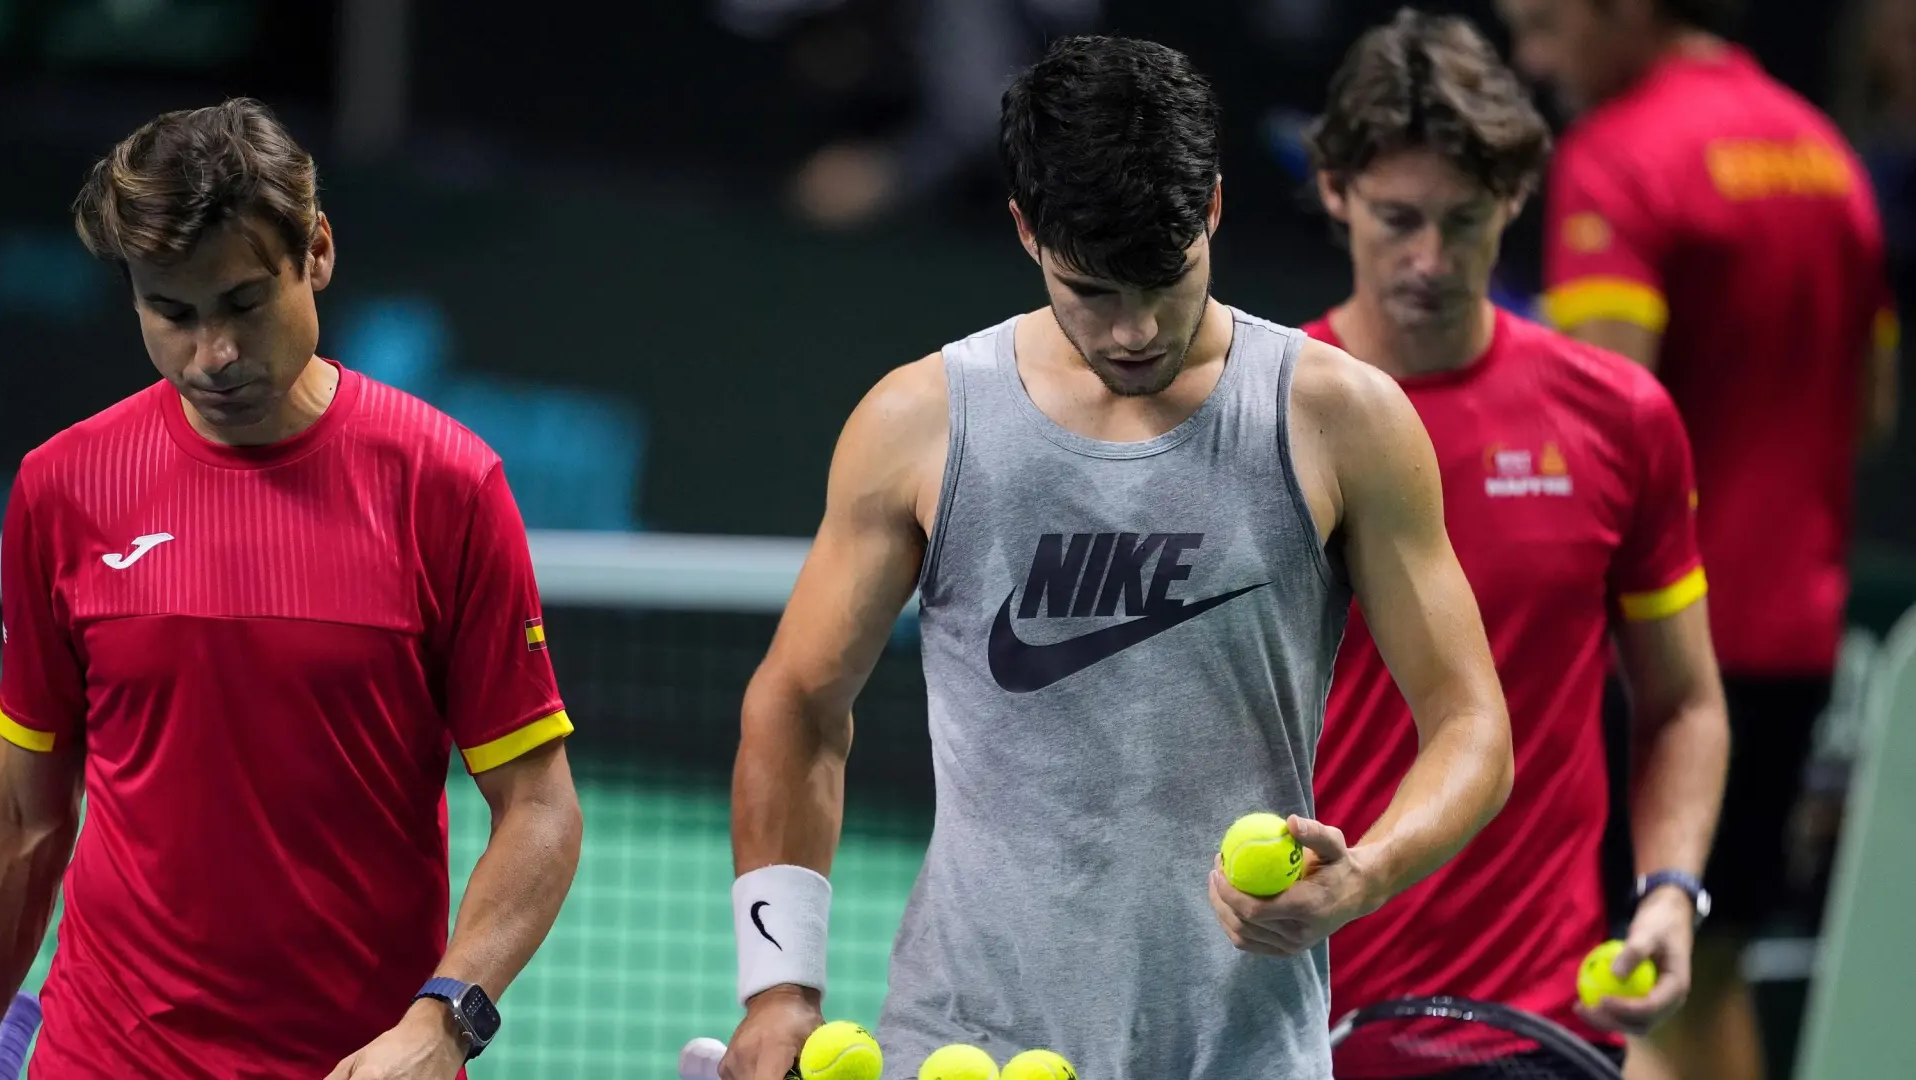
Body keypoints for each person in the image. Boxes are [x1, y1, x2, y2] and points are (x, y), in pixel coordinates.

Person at [720, 34, 1516, 1080]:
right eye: (1093, 289)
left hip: (1237, 1053)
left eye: (1165, 278)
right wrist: (781, 987)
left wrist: (1363, 875)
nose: (1136, 330)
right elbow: (797, 703)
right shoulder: (922, 423)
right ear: (1026, 233)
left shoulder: (1339, 418)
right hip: (964, 1047)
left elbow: (1472, 726)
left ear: (1214, 210)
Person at [0, 99, 584, 1078]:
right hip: (105, 1056)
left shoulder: (446, 486)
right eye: (171, 315)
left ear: (316, 251)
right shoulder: (63, 488)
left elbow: (539, 808)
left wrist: (442, 1022)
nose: (212, 356)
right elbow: (26, 815)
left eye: (243, 304)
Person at [1296, 11, 1732, 1080]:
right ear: (1333, 192)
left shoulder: (1619, 416)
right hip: (1293, 1020)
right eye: (1398, 217)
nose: (1431, 260)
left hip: (1528, 1026)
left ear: (1518, 199)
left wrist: (1670, 892)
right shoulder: (1260, 415)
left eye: (1466, 218)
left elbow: (1682, 702)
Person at [1498, 2, 1899, 1077]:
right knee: (1708, 977)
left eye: (1543, 25)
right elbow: (1873, 408)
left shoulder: (1620, 156)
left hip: (1663, 653)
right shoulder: (1824, 155)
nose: (1532, 62)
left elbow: (1598, 426)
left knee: (1630, 996)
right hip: (1797, 636)